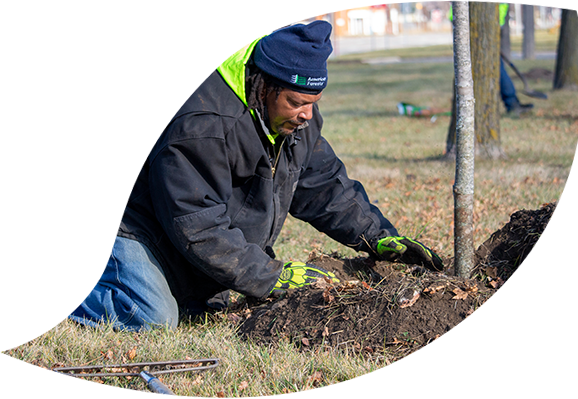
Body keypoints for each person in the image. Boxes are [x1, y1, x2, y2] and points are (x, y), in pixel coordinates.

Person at [0, 21, 442, 332]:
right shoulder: (202, 122)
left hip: (160, 200)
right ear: (264, 85)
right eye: (296, 101)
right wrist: (270, 275)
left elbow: (323, 185)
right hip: (105, 197)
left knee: (199, 300)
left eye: (315, 101)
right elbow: (197, 224)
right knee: (151, 314)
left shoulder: (291, 118)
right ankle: (31, 281)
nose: (308, 114)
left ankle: (103, 278)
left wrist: (378, 237)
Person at [447, 0, 533, 114]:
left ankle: (510, 102)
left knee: (495, 66)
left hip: (481, 26)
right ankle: (511, 102)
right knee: (493, 66)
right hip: (474, 25)